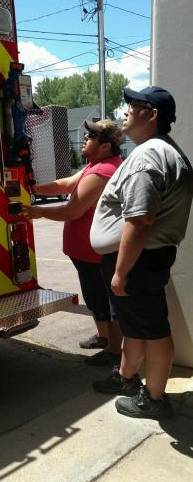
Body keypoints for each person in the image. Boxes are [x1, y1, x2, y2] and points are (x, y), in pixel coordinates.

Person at [90, 86, 193, 420]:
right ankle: (127, 378)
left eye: (133, 105)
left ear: (152, 114)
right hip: (144, 259)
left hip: (139, 261)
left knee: (155, 331)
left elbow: (140, 219)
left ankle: (154, 399)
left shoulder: (149, 157)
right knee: (136, 326)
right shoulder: (165, 151)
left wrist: (120, 271)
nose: (126, 111)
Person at [23, 119, 123, 363]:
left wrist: (39, 211)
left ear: (105, 146)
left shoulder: (103, 171)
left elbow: (72, 211)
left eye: (91, 136)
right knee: (94, 296)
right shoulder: (95, 166)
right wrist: (32, 187)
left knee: (104, 300)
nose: (85, 139)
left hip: (94, 253)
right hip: (86, 253)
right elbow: (67, 184)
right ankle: (103, 337)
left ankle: (113, 351)